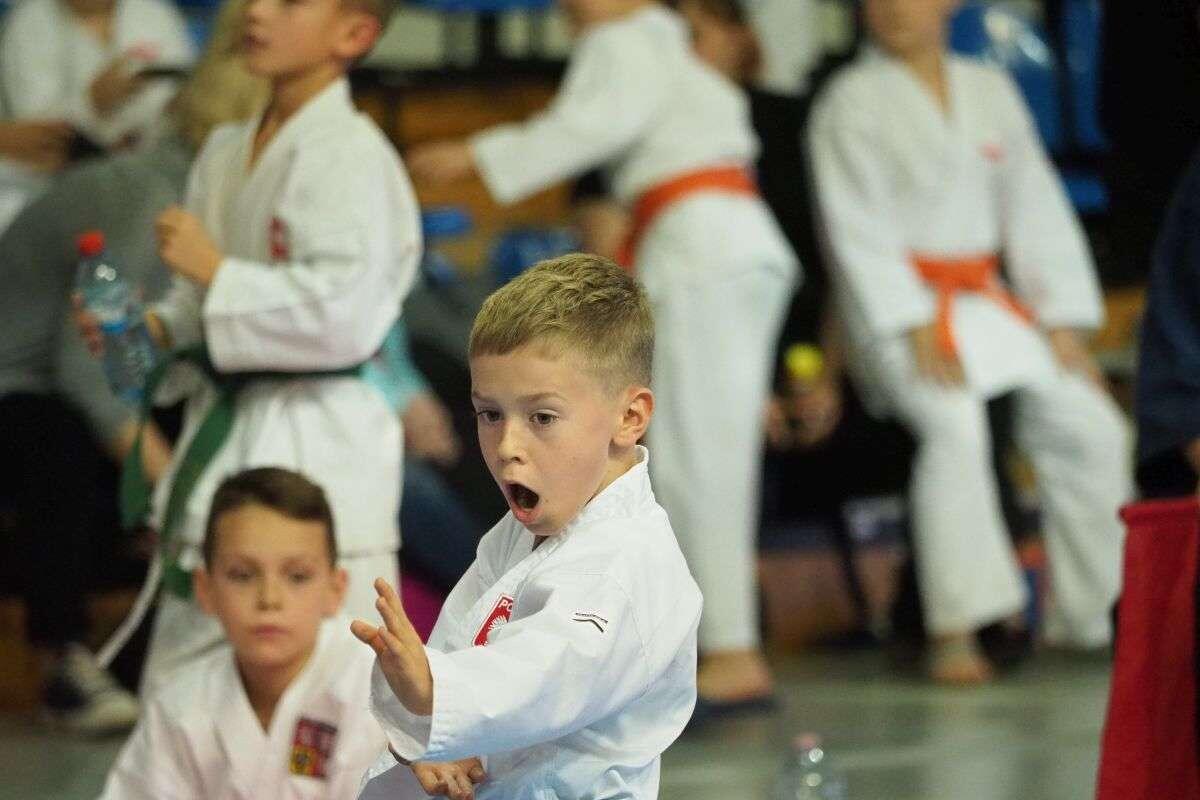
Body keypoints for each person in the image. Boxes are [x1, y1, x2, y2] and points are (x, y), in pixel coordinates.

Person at [407, 0, 797, 711]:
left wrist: (475, 155)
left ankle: (732, 650)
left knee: (702, 459)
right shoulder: (661, 41)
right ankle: (711, 643)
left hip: (703, 245)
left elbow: (592, 124)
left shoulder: (629, 36)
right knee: (698, 454)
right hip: (715, 241)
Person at [76, 0, 421, 697]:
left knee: (333, 690)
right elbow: (196, 306)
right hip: (225, 435)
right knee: (188, 683)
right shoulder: (224, 150)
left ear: (354, 33)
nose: (258, 11)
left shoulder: (355, 156)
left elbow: (348, 316)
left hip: (321, 436)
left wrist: (218, 271)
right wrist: (152, 331)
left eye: (291, 2)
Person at [807, 0, 1132, 684]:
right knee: (952, 423)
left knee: (1093, 425)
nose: (892, 10)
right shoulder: (849, 101)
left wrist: (1061, 320)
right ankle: (956, 627)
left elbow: (1035, 205)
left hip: (987, 302)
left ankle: (1096, 615)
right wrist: (908, 316)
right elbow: (851, 227)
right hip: (893, 317)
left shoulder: (989, 89)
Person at [0, 0, 264, 733]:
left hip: (71, 375)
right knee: (60, 442)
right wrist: (179, 488)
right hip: (17, 386)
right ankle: (63, 663)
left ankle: (148, 658)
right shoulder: (148, 194)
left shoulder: (207, 191)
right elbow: (90, 370)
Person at [353, 254, 702, 800]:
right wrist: (436, 740)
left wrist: (438, 695)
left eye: (542, 417)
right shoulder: (518, 534)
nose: (507, 446)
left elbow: (549, 672)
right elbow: (459, 648)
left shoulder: (628, 561)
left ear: (629, 418)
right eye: (490, 414)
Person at [98, 467, 385, 799]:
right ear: (205, 589)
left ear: (336, 589)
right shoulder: (180, 706)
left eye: (297, 576)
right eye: (242, 575)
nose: (269, 599)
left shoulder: (379, 692)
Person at [0, 0, 195, 151]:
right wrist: (92, 102)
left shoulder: (154, 13)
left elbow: (183, 86)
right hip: (60, 173)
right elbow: (34, 133)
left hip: (157, 153)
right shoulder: (29, 24)